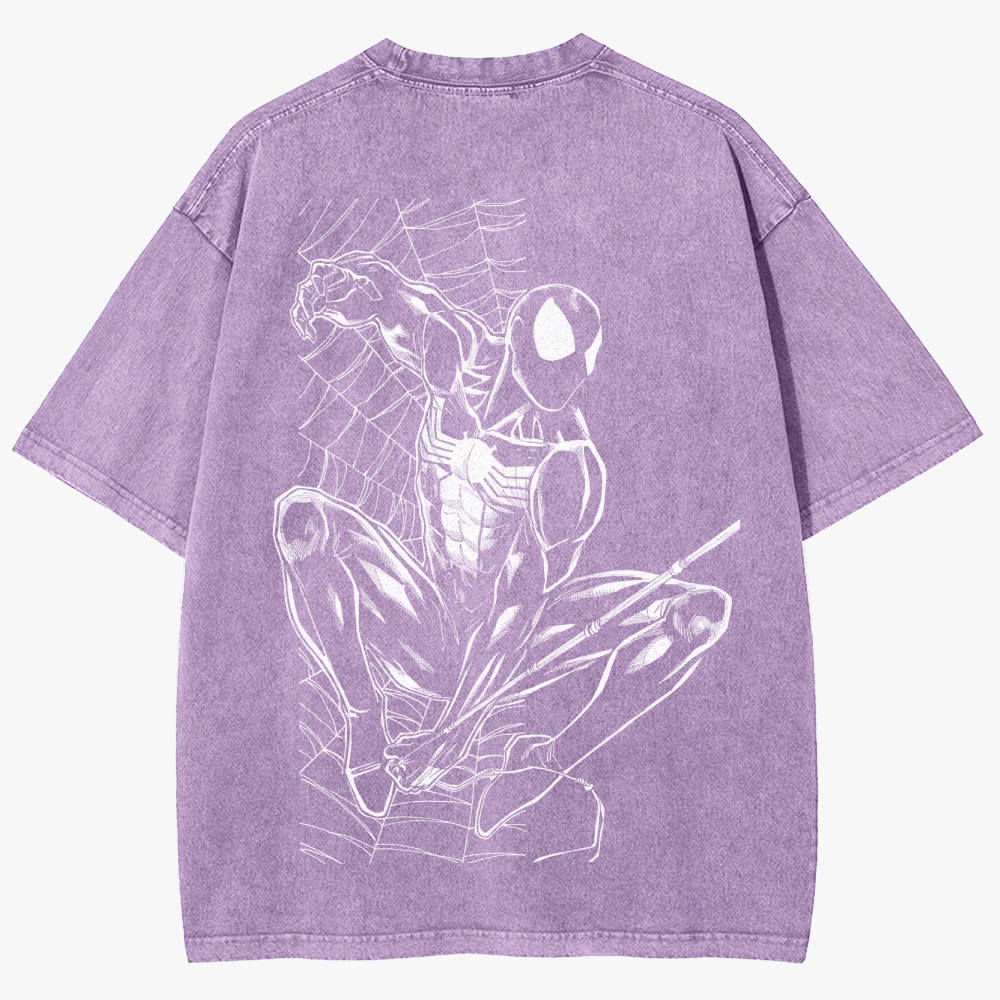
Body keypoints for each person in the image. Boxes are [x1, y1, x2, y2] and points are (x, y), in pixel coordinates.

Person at [275, 251, 733, 857]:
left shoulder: (569, 468)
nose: (553, 393)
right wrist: (337, 286)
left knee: (699, 612)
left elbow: (517, 606)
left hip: (519, 647)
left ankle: (547, 761)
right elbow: (389, 296)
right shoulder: (458, 353)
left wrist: (453, 733)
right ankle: (362, 713)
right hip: (430, 621)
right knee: (302, 520)